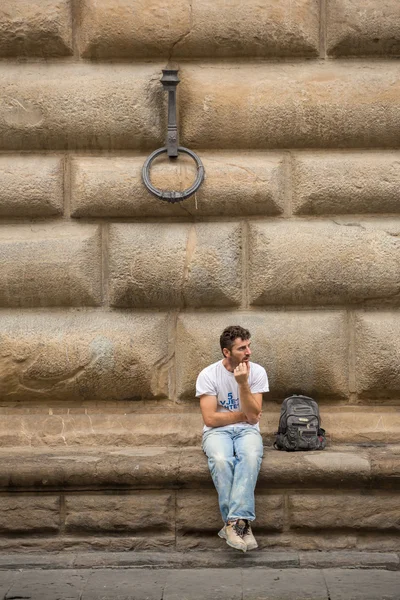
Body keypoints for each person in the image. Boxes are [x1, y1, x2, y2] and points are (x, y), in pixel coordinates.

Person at [196, 325, 269, 552]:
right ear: (227, 353)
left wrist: (243, 384)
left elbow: (253, 417)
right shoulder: (208, 375)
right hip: (216, 433)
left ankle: (233, 524)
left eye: (249, 346)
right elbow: (210, 419)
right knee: (220, 459)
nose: (248, 352)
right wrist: (243, 415)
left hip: (248, 432)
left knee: (250, 455)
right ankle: (241, 525)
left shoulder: (257, 372)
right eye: (241, 348)